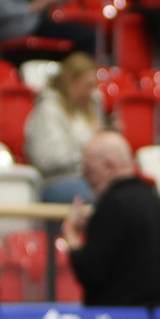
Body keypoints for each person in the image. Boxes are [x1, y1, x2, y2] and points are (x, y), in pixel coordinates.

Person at [61, 131, 160, 306]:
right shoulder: (159, 203)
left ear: (110, 166)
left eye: (89, 170)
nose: (85, 178)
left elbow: (90, 272)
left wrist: (71, 233)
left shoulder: (112, 205)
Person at [27, 51, 106, 204]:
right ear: (71, 82)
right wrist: (90, 145)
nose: (92, 92)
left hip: (90, 178)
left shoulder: (90, 108)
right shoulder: (48, 110)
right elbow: (47, 159)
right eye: (88, 86)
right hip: (57, 181)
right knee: (99, 197)